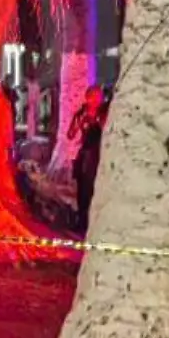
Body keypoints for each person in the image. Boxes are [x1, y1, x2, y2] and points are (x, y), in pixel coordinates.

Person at [69, 84, 109, 232]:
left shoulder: (104, 112)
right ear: (88, 97)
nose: (97, 99)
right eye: (94, 96)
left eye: (99, 97)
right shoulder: (81, 114)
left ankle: (95, 221)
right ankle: (81, 220)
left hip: (98, 154)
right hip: (85, 155)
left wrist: (98, 121)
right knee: (82, 190)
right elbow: (70, 134)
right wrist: (80, 121)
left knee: (94, 189)